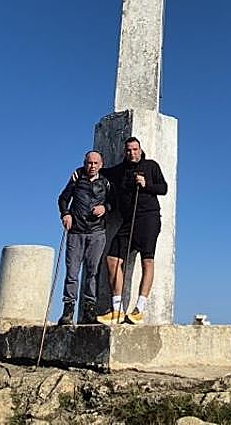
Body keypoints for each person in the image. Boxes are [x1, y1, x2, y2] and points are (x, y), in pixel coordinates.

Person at [97, 136, 167, 324]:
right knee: (112, 260)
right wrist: (81, 171)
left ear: (140, 149)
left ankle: (139, 309)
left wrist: (146, 184)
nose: (132, 153)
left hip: (148, 219)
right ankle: (117, 309)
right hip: (128, 221)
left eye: (135, 149)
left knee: (147, 261)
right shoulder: (120, 170)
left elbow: (164, 188)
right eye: (129, 150)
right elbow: (100, 171)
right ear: (124, 152)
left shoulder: (151, 166)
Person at [56, 150, 112, 325]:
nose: (92, 166)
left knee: (92, 272)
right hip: (76, 232)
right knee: (72, 272)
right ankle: (68, 310)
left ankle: (89, 310)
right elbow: (63, 199)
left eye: (96, 163)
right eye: (89, 163)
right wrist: (65, 214)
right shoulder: (76, 178)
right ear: (84, 163)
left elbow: (115, 202)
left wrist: (105, 208)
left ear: (101, 165)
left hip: (97, 232)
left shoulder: (106, 183)